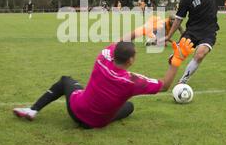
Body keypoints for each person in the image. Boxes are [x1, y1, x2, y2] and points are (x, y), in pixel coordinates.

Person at [13, 32, 195, 128]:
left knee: (65, 81)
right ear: (131, 60)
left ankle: (32, 110)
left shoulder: (103, 57)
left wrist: (141, 30)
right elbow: (164, 86)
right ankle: (100, 114)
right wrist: (176, 61)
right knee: (129, 107)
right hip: (97, 123)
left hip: (76, 110)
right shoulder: (133, 81)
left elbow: (119, 42)